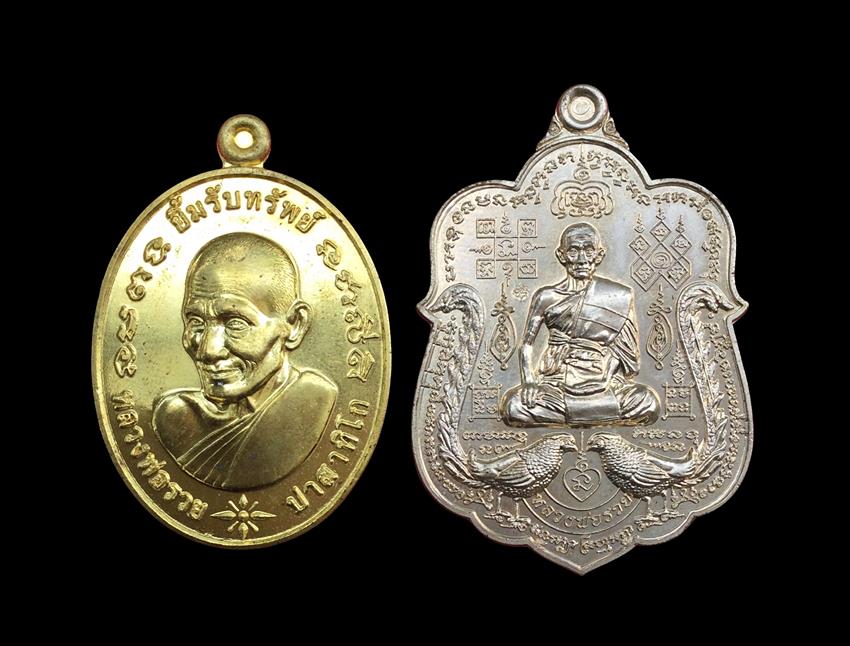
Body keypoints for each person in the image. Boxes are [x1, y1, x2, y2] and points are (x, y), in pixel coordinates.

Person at [153, 232, 337, 490]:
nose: (207, 350)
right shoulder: (176, 418)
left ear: (295, 324)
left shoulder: (315, 402)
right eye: (196, 321)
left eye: (235, 323)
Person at [501, 222, 659, 428]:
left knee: (648, 402)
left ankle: (581, 415)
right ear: (562, 255)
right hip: (556, 383)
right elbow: (527, 344)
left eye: (589, 250)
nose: (582, 259)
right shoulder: (546, 297)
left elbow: (625, 353)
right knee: (514, 406)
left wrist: (605, 378)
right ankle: (596, 416)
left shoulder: (618, 296)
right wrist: (529, 381)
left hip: (602, 381)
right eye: (574, 251)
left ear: (599, 255)